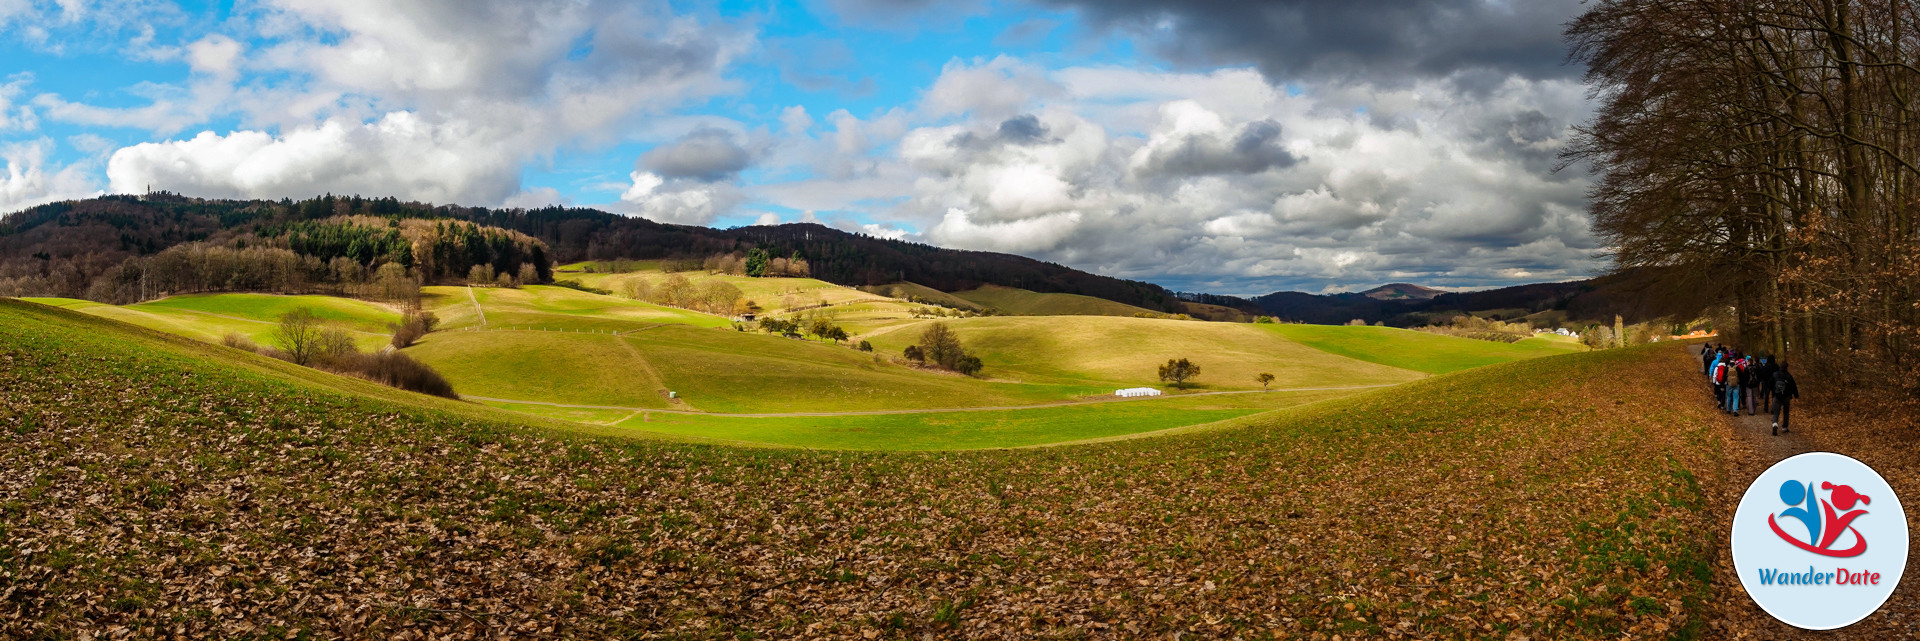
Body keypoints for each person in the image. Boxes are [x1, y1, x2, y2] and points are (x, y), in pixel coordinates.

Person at [1772, 361, 1799, 436]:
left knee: (1776, 411)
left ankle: (1775, 424)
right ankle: (1784, 427)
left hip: (1777, 395)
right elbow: (1793, 386)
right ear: (1787, 367)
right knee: (1786, 411)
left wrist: (1773, 392)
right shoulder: (1788, 376)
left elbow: (1770, 383)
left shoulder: (1775, 374)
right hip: (1786, 396)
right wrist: (1796, 396)